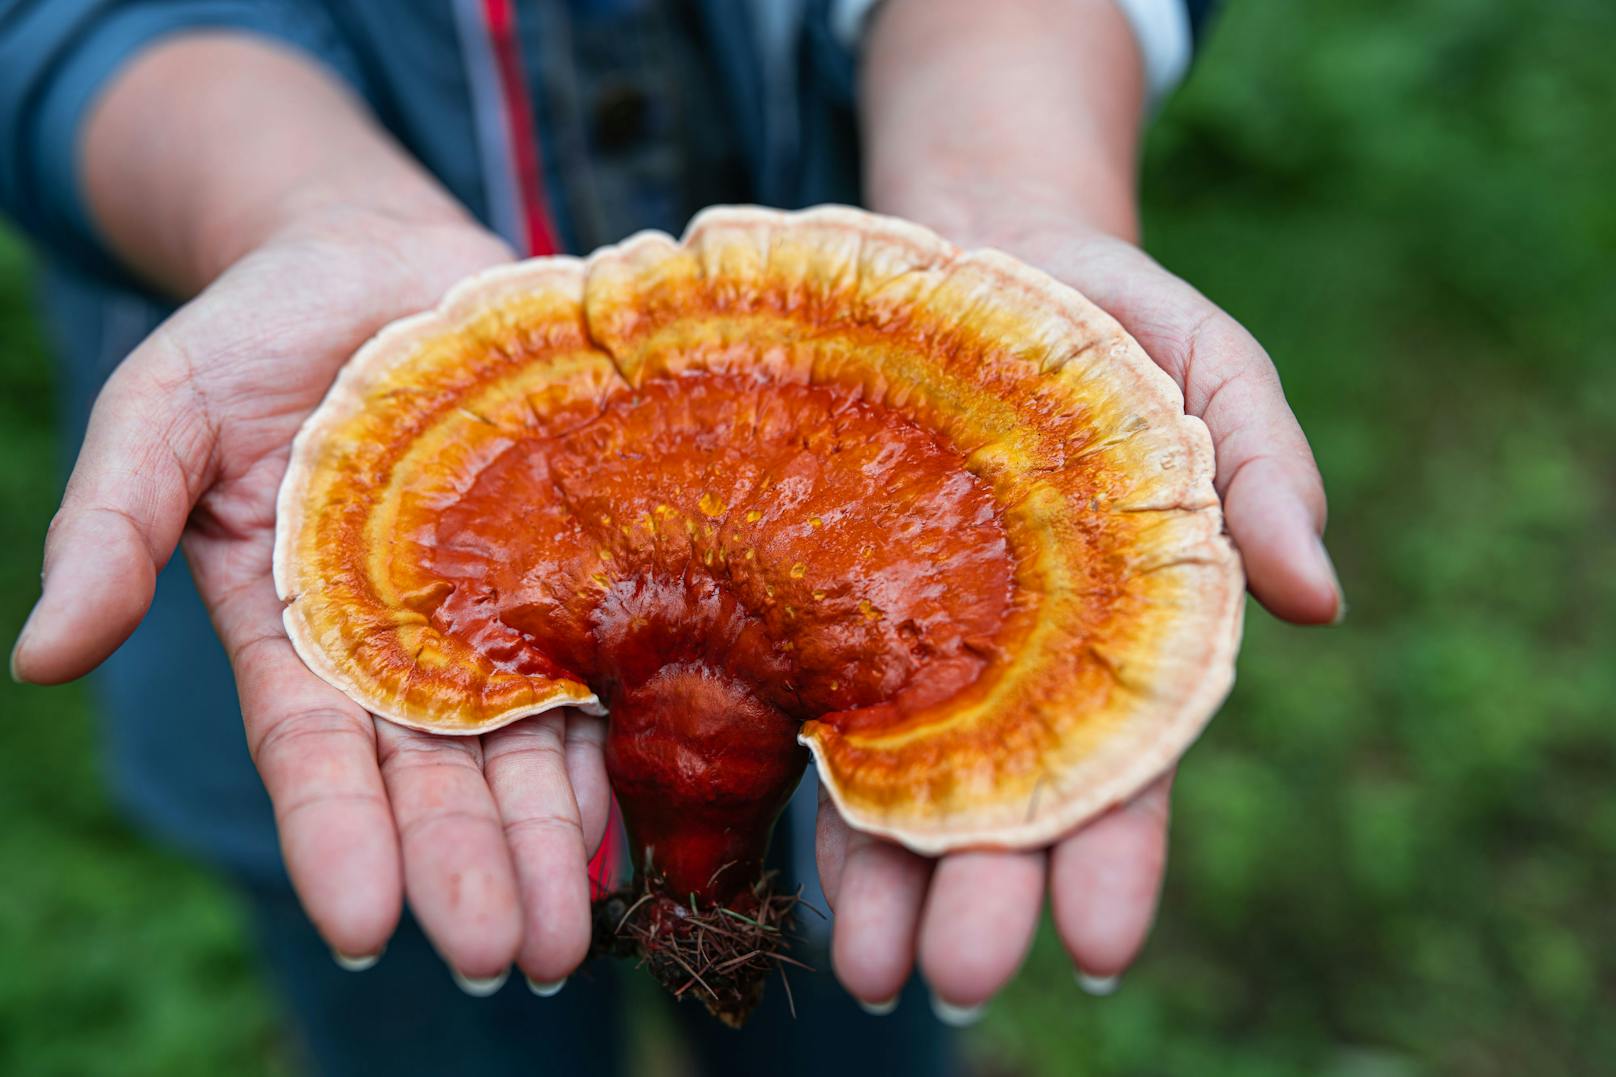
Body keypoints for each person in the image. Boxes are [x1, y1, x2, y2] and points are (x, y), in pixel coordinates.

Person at [1, 1, 1341, 1073]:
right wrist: (280, 204)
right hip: (330, 654)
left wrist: (1003, 167)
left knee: (852, 1009)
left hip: (863, 619)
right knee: (435, 1009)